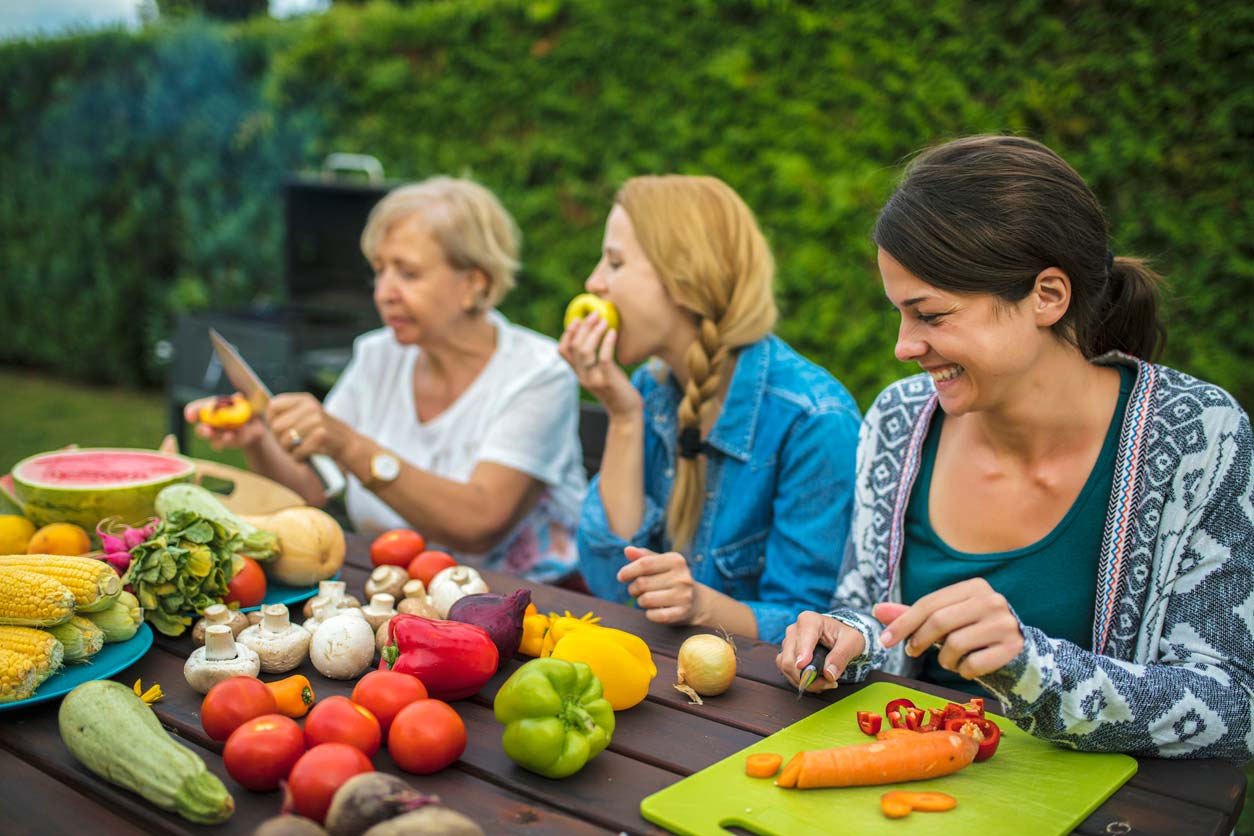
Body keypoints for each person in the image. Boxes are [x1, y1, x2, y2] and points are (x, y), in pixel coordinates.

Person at [776, 135, 1254, 762]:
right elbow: (877, 611)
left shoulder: (1198, 435)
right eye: (899, 313)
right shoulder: (898, 421)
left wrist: (1031, 668)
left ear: (1047, 297)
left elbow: (1233, 705)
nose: (903, 346)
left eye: (931, 315)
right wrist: (849, 637)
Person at [187, 176, 587, 584]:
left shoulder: (539, 374)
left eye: (408, 273)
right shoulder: (378, 355)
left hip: (527, 608)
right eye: (379, 272)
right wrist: (260, 440)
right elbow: (311, 491)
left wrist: (348, 444)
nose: (384, 292)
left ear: (474, 283)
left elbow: (479, 524)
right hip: (389, 588)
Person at [560, 175, 862, 644]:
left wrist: (703, 606)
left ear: (684, 277)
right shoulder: (652, 388)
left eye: (615, 262)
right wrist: (623, 415)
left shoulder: (813, 421)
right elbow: (608, 584)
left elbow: (814, 627)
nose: (593, 281)